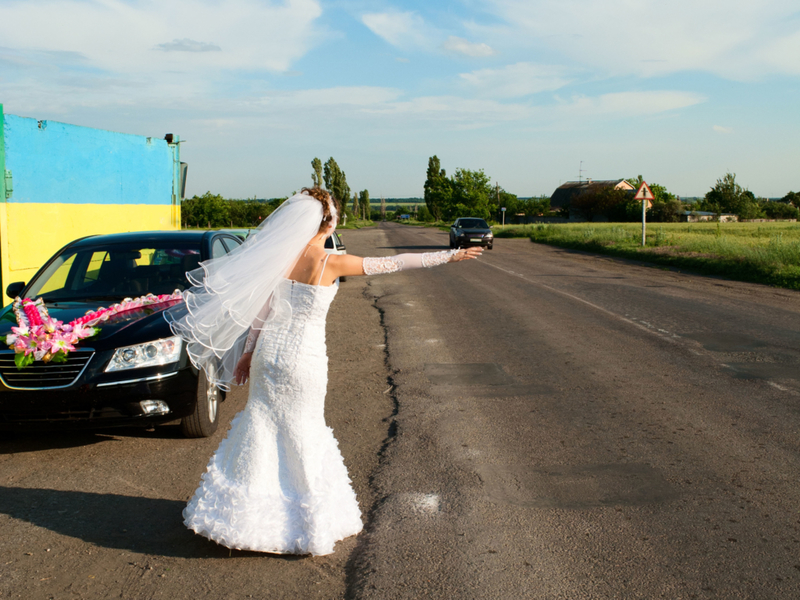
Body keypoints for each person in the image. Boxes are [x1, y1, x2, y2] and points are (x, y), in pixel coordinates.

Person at [168, 188, 481, 556]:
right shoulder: (329, 262)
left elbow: (261, 314)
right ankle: (304, 520)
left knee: (262, 425)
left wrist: (247, 355)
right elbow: (393, 263)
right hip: (304, 359)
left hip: (270, 354)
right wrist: (449, 256)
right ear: (328, 222)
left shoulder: (280, 259)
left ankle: (242, 517)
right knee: (303, 429)